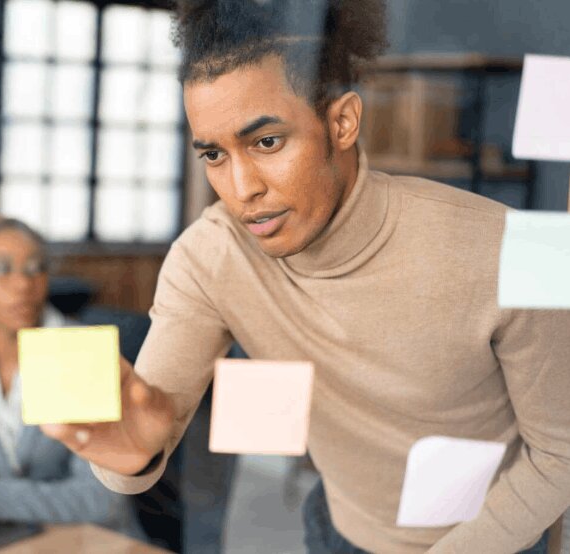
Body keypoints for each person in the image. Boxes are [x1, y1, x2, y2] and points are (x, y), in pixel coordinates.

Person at [40, 1, 570, 553]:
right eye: (214, 155)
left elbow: (562, 452)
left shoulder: (519, 248)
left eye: (267, 142)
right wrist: (134, 455)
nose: (242, 188)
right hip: (338, 527)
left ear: (341, 122)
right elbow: (143, 440)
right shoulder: (211, 256)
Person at [0, 213, 140, 537]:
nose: (24, 284)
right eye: (1, 269)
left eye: (35, 268)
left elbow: (102, 500)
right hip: (11, 533)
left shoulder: (79, 351)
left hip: (93, 539)